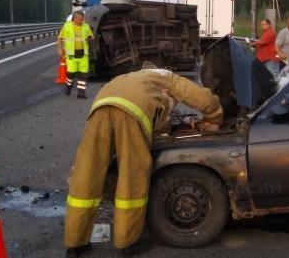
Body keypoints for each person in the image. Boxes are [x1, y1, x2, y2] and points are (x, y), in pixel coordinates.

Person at [63, 67, 223, 257]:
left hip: (99, 109)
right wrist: (215, 115)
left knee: (86, 175)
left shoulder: (130, 77)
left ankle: (75, 243)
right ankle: (127, 242)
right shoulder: (167, 77)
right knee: (133, 177)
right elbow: (200, 97)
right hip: (131, 113)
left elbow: (157, 115)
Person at [58, 11, 94, 99]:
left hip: (83, 54)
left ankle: (81, 93)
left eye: (82, 19)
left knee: (83, 74)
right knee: (71, 73)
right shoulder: (67, 26)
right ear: (74, 18)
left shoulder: (86, 26)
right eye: (80, 19)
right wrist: (60, 49)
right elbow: (60, 38)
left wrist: (90, 39)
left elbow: (91, 37)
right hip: (71, 55)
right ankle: (68, 85)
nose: (81, 21)